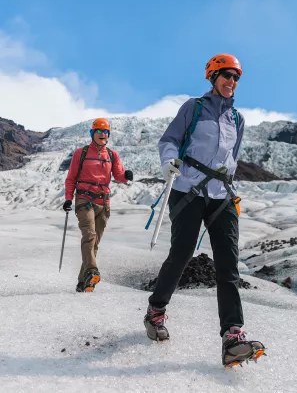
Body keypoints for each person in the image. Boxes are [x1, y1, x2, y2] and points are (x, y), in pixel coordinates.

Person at [143, 53, 266, 367]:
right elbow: (169, 139)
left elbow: (232, 159)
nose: (232, 82)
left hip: (221, 194)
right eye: (226, 75)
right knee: (182, 253)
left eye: (236, 77)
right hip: (187, 190)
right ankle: (156, 310)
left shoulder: (237, 120)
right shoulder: (194, 108)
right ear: (213, 76)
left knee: (228, 264)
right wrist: (169, 161)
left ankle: (232, 335)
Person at [63, 118, 133, 292]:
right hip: (84, 200)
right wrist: (68, 198)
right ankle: (92, 270)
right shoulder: (81, 153)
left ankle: (83, 282)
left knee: (94, 244)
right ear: (92, 134)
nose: (103, 134)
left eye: (106, 132)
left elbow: (118, 175)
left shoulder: (112, 155)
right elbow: (71, 178)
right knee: (89, 235)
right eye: (99, 131)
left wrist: (126, 177)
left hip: (104, 202)